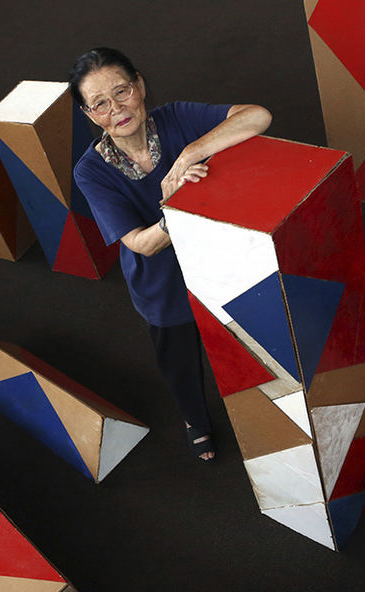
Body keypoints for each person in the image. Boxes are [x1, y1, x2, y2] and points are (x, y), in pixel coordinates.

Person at [71, 47, 271, 462]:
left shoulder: (176, 117)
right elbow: (140, 243)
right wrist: (175, 205)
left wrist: (192, 152)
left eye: (122, 91)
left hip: (220, 264)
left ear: (140, 85)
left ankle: (263, 414)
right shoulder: (90, 170)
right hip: (161, 285)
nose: (117, 109)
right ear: (90, 115)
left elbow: (258, 116)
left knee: (245, 343)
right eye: (100, 104)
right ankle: (195, 420)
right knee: (179, 363)